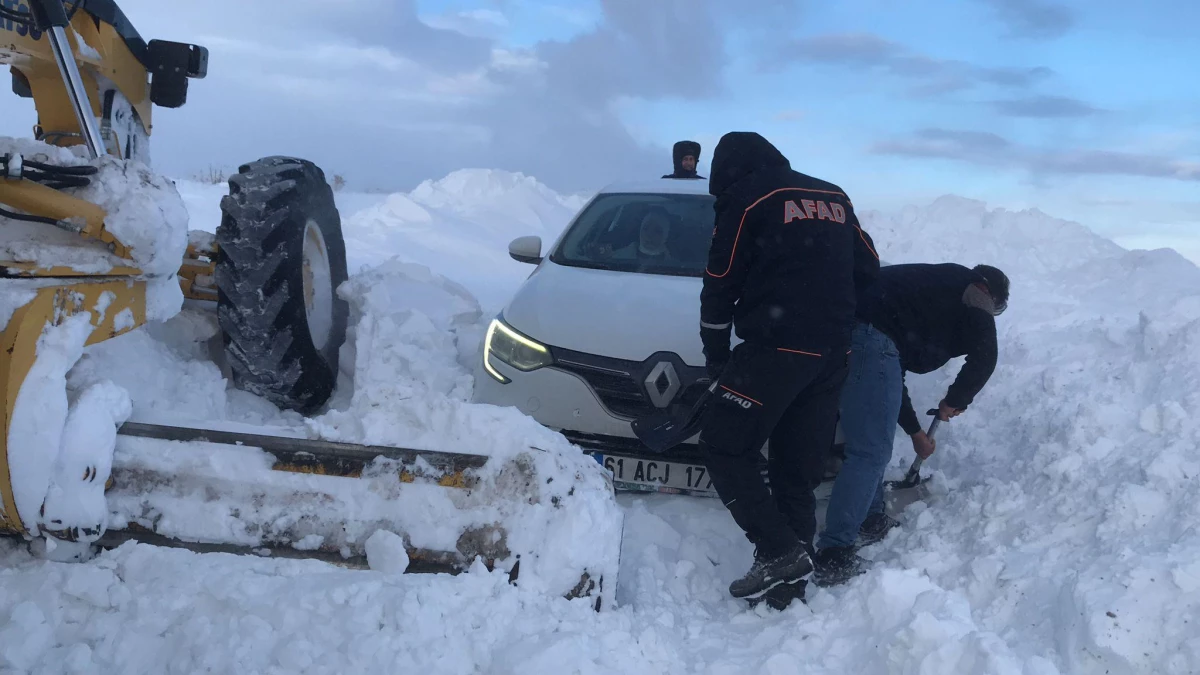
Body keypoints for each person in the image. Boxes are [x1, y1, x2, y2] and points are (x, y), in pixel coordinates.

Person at [697, 131, 880, 605]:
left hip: (776, 350)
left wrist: (716, 354)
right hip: (831, 355)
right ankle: (789, 587)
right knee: (796, 468)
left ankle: (778, 549)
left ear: (727, 171)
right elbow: (869, 266)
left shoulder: (747, 198)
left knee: (723, 444)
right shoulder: (832, 195)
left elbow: (720, 281)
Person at [813, 262, 1010, 586]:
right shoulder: (975, 288)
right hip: (864, 337)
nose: (991, 312)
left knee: (869, 439)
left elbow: (891, 379)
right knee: (870, 451)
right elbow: (986, 355)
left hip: (846, 333)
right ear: (991, 292)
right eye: (995, 306)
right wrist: (956, 400)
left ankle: (869, 517)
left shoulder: (920, 301)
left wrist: (916, 433)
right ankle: (834, 553)